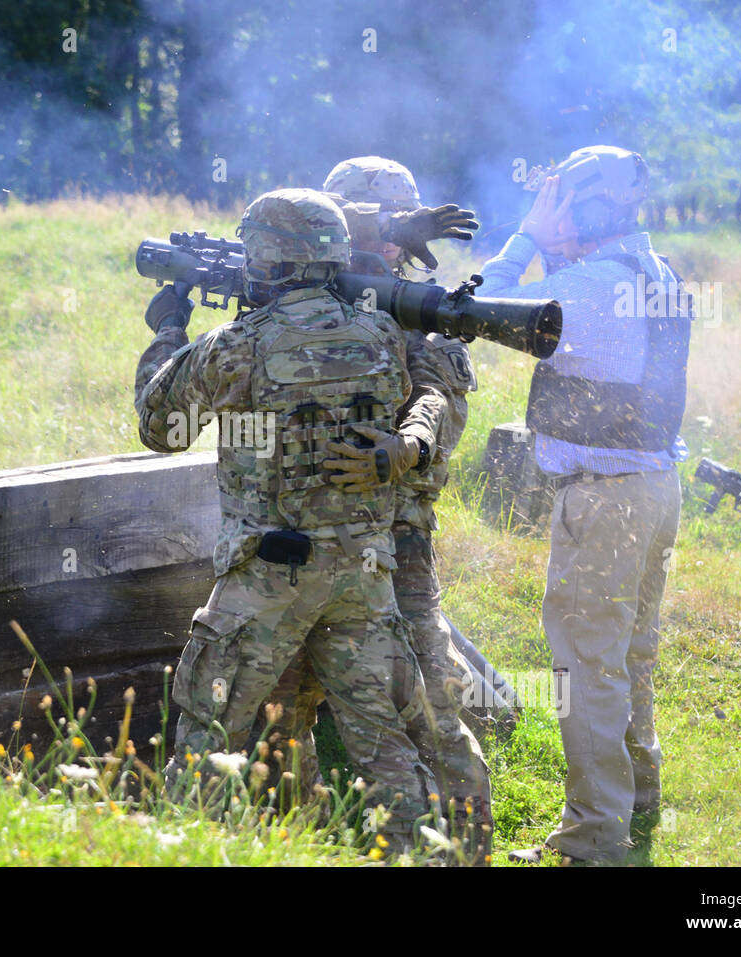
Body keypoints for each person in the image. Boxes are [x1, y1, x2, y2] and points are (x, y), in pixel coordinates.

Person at [134, 187, 440, 850]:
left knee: (209, 730)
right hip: (364, 573)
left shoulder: (238, 344)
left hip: (268, 577)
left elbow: (160, 428)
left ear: (267, 257)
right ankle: (424, 853)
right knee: (384, 741)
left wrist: (166, 331)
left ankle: (189, 850)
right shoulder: (383, 336)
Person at [257, 156, 494, 864]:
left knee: (431, 704)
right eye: (372, 223)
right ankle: (295, 839)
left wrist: (405, 443)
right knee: (283, 704)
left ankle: (468, 844)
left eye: (396, 227)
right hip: (299, 539)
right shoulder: (292, 294)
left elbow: (441, 409)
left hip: (396, 543)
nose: (385, 244)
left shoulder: (423, 311)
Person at [477, 146, 690, 865]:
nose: (547, 208)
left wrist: (529, 236)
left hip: (604, 502)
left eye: (558, 196)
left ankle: (595, 837)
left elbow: (470, 308)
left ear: (588, 206)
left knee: (585, 668)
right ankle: (638, 792)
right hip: (655, 487)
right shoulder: (650, 271)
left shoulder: (589, 285)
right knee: (631, 651)